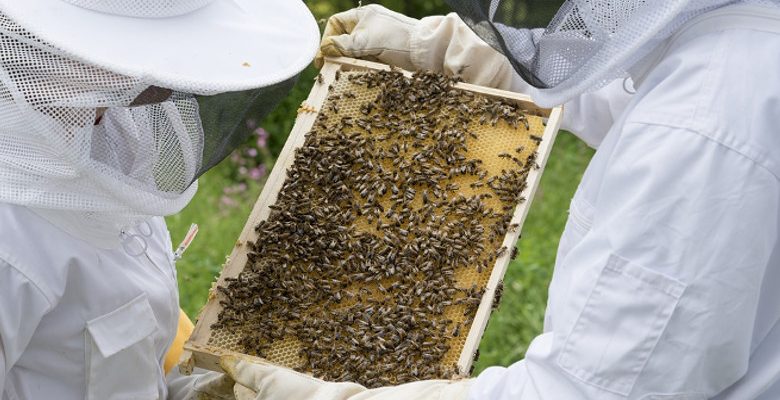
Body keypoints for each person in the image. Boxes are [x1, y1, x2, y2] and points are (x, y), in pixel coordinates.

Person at [213, 1, 780, 399]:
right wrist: (489, 64)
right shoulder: (737, 48)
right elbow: (633, 101)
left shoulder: (705, 123)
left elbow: (589, 394)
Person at [0, 0, 319, 399]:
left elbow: (119, 367)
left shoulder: (109, 138)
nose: (161, 80)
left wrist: (195, 391)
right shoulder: (10, 244)